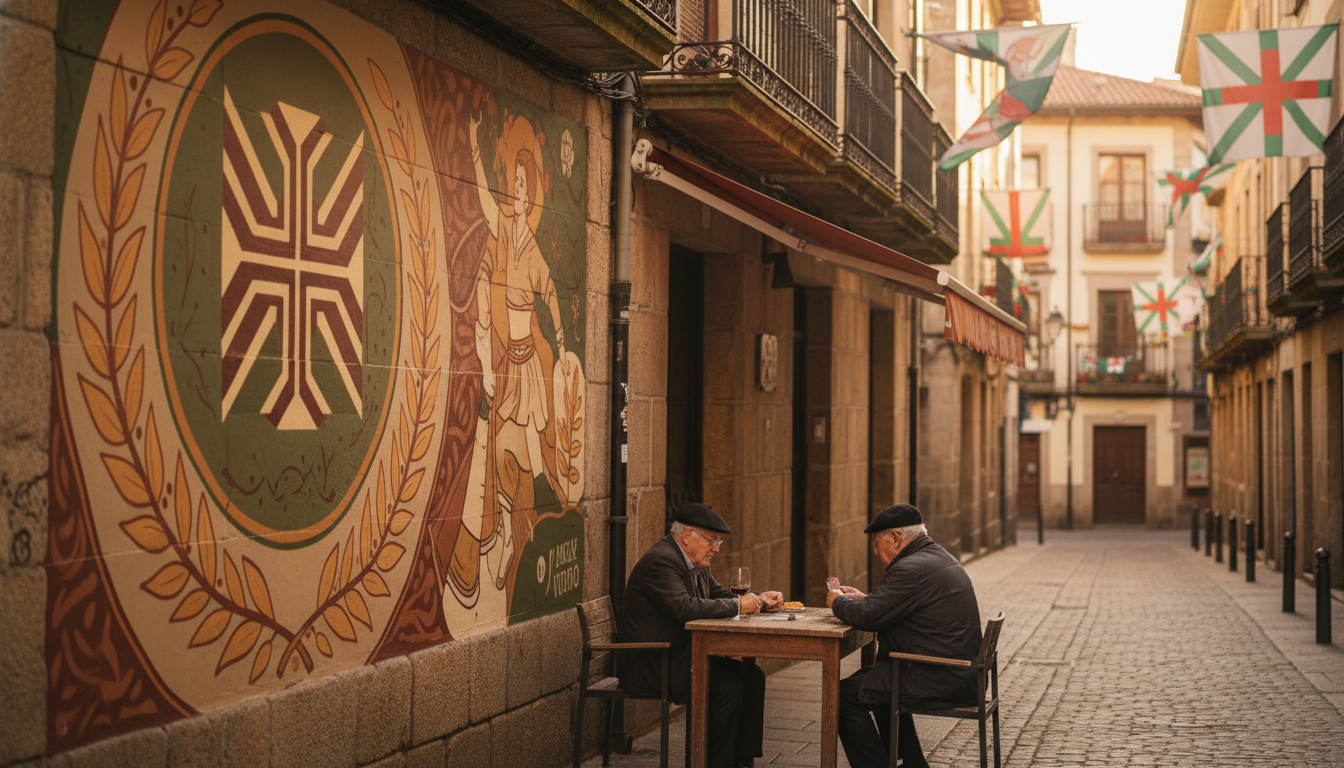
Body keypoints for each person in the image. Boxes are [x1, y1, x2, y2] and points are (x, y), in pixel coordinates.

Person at [619, 503, 785, 768]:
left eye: (717, 541)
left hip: (684, 657)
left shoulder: (695, 562)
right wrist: (738, 606)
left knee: (752, 677)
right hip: (654, 663)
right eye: (712, 540)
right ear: (687, 536)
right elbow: (684, 607)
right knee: (727, 689)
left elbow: (720, 595)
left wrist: (758, 600)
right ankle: (713, 763)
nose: (717, 548)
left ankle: (741, 762)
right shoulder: (662, 560)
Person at [826, 504, 983, 768]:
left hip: (941, 675)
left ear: (896, 539)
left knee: (840, 697)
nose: (875, 551)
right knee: (869, 682)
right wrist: (865, 599)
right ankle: (913, 764)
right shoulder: (933, 556)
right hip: (956, 672)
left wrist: (837, 602)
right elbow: (894, 607)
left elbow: (866, 617)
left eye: (877, 543)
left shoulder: (910, 568)